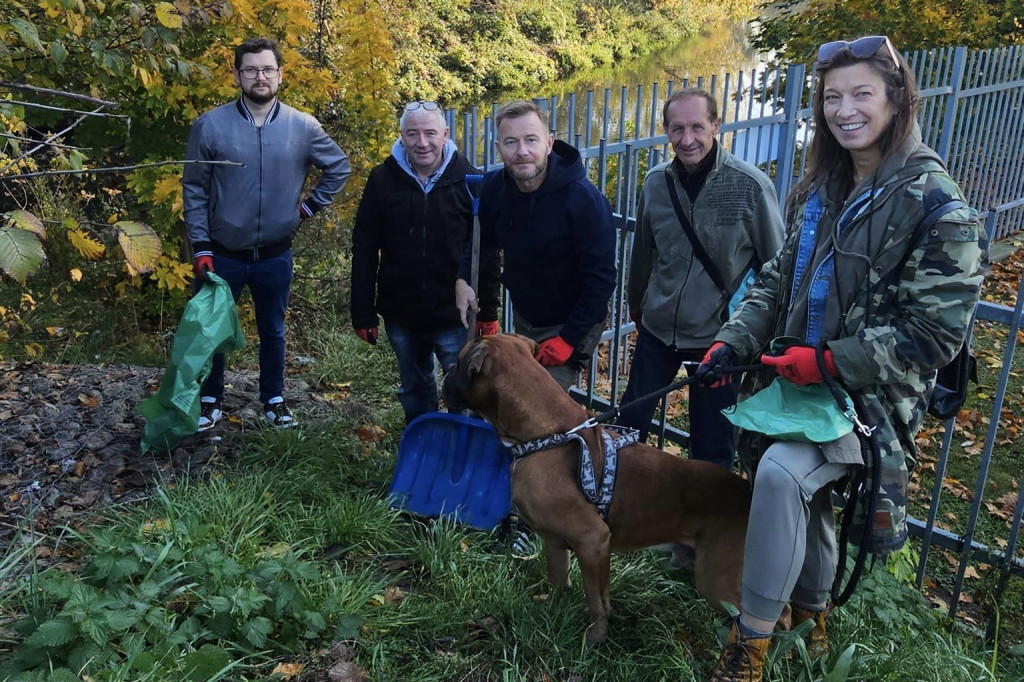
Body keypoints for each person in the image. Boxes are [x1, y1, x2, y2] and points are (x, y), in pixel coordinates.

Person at [696, 36, 987, 681]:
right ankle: (813, 628)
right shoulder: (822, 188)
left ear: (896, 100)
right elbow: (775, 283)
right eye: (832, 97)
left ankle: (750, 646)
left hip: (871, 400)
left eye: (861, 94)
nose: (844, 109)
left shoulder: (938, 208)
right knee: (809, 504)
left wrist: (828, 362)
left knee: (779, 476)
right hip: (801, 380)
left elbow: (932, 337)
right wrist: (734, 339)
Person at [183, 37, 350, 430]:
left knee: (273, 330)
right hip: (222, 252)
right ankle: (209, 399)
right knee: (213, 331)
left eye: (268, 69)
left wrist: (309, 207)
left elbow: (338, 167)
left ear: (280, 74)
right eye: (252, 69)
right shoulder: (210, 125)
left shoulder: (302, 126)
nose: (261, 76)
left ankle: (273, 398)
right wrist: (201, 245)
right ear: (238, 74)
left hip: (275, 253)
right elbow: (193, 188)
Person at [618, 88, 785, 469]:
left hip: (718, 339)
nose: (687, 139)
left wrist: (755, 337)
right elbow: (643, 254)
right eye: (677, 129)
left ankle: (706, 524)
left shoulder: (750, 187)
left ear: (716, 125)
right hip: (658, 330)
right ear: (666, 130)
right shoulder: (656, 183)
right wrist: (638, 306)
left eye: (697, 126)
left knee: (712, 444)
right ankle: (621, 504)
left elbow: (776, 268)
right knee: (628, 427)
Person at [350, 101, 498, 423]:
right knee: (415, 388)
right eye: (413, 134)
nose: (422, 142)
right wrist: (362, 310)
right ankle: (423, 437)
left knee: (464, 388)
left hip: (454, 317)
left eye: (430, 133)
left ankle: (461, 445)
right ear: (401, 136)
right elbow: (364, 246)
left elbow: (483, 249)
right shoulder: (382, 180)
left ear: (445, 134)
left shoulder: (470, 180)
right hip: (402, 314)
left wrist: (488, 311)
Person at [454, 100, 616, 390]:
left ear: (549, 143)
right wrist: (464, 279)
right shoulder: (493, 189)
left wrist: (568, 338)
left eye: (531, 140)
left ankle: (570, 433)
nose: (522, 152)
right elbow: (482, 244)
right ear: (498, 147)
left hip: (574, 319)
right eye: (511, 142)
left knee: (539, 399)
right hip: (527, 315)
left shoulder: (584, 201)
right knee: (518, 392)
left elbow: (601, 280)